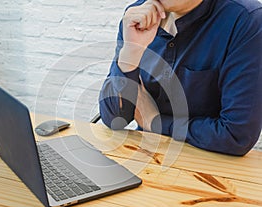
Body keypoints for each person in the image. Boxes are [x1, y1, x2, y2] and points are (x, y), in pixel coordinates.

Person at [99, 0, 262, 156]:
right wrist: (131, 53)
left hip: (209, 167)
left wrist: (155, 122)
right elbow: (113, 118)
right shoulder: (137, 16)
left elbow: (237, 136)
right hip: (146, 154)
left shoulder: (246, 19)